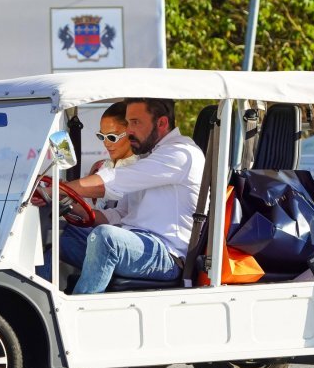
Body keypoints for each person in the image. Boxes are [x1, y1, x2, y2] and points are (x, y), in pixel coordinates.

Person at [36, 98, 204, 294]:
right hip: (134, 243)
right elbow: (118, 215)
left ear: (162, 123)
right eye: (128, 122)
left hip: (167, 254)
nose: (130, 130)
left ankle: (79, 313)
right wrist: (66, 202)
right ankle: (33, 306)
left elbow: (110, 182)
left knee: (106, 238)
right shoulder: (146, 156)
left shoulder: (180, 153)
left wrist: (57, 188)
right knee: (61, 235)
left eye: (135, 122)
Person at [89, 101, 139, 212]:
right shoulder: (101, 166)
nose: (106, 143)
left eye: (112, 137)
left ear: (131, 133)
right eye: (101, 136)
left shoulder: (140, 167)